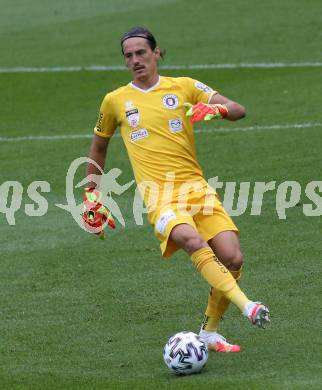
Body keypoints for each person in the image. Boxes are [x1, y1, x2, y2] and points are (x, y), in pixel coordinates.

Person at [83, 26, 270, 353]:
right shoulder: (115, 101)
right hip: (160, 198)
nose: (135, 60)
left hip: (197, 190)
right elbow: (98, 148)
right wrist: (91, 195)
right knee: (192, 240)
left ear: (157, 53)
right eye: (128, 55)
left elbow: (238, 110)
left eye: (141, 52)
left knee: (233, 257)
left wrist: (215, 109)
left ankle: (210, 332)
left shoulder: (183, 87)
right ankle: (248, 306)